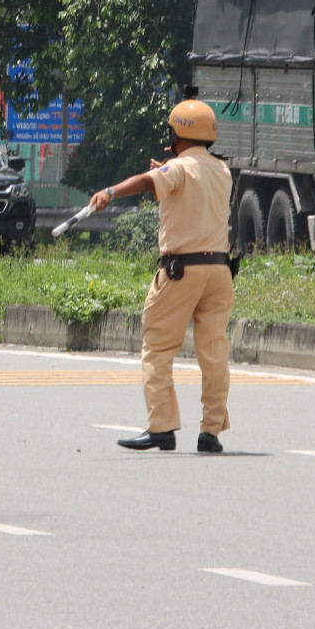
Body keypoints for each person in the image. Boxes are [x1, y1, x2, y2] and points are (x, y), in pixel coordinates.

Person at [86, 99, 233, 453]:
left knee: (157, 346)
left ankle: (162, 427)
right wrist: (167, 170)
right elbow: (177, 182)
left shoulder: (178, 169)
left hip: (182, 271)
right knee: (213, 353)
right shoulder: (221, 170)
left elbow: (147, 182)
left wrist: (110, 192)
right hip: (219, 271)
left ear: (177, 133)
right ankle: (211, 432)